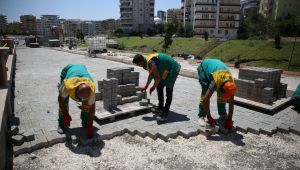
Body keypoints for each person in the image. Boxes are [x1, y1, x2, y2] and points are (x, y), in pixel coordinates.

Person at [133, 53, 181, 122]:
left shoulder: (151, 62)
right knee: (159, 86)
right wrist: (146, 86)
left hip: (173, 68)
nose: (138, 66)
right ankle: (161, 107)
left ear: (141, 61)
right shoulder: (146, 63)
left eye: (138, 64)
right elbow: (151, 74)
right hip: (165, 69)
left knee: (168, 91)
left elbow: (157, 77)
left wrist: (153, 87)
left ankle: (165, 113)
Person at [57, 64, 96, 138]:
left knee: (87, 105)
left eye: (86, 98)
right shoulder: (66, 87)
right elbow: (60, 101)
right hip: (68, 69)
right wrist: (65, 115)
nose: (84, 100)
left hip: (82, 69)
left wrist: (90, 124)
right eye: (82, 98)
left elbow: (92, 109)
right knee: (64, 101)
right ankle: (61, 123)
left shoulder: (91, 90)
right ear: (77, 92)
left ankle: (85, 122)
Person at [197, 58, 236, 129]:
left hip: (217, 69)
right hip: (204, 68)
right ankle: (201, 116)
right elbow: (206, 99)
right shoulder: (216, 81)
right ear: (222, 87)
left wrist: (229, 118)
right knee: (205, 93)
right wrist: (209, 117)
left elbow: (231, 103)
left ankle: (223, 114)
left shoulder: (231, 85)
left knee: (221, 96)